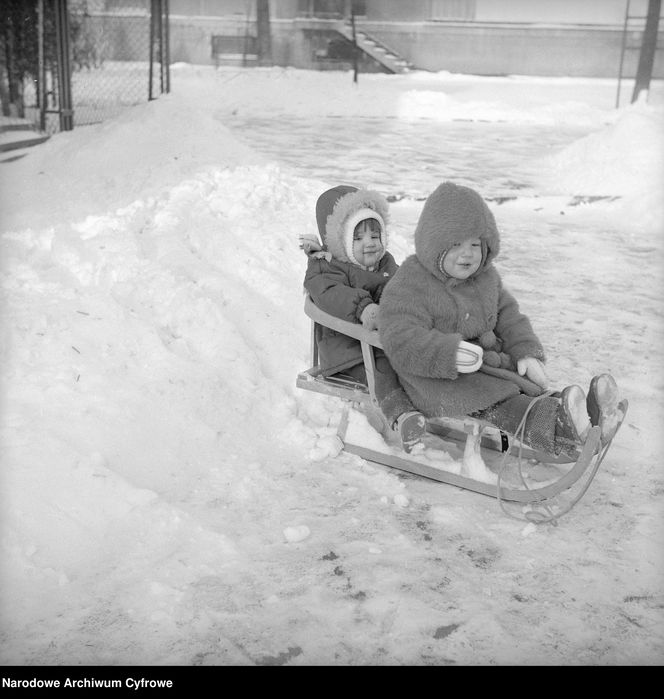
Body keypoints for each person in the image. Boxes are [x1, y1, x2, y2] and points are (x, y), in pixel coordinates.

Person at [378, 181, 625, 458]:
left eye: (475, 244)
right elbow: (398, 335)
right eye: (456, 244)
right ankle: (560, 429)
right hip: (439, 381)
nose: (468, 254)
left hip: (487, 368)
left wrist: (525, 351)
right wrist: (448, 353)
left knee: (518, 391)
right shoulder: (411, 283)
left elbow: (510, 316)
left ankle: (589, 415)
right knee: (503, 405)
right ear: (434, 244)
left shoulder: (487, 278)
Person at [302, 185, 426, 452]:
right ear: (339, 239)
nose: (370, 243)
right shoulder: (325, 268)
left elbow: (398, 289)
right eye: (358, 238)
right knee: (384, 368)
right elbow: (331, 295)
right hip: (348, 352)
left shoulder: (384, 263)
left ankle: (441, 401)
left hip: (380, 340)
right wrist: (364, 308)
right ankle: (402, 416)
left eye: (375, 234)